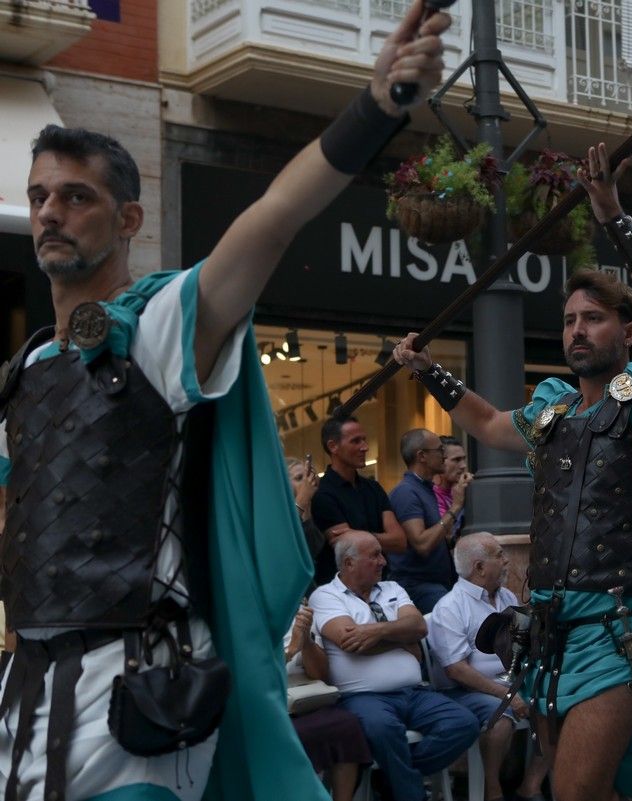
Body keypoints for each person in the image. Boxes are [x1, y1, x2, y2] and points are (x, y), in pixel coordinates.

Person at [0, 4, 449, 798]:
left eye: (75, 197)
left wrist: (375, 107)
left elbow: (272, 220)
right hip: (25, 700)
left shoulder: (160, 324)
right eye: (39, 196)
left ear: (129, 218)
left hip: (139, 692)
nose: (49, 213)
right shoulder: (28, 367)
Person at [391, 142, 632, 800]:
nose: (576, 331)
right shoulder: (552, 411)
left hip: (623, 633)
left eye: (593, 318)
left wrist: (612, 213)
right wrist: (427, 371)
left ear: (629, 332)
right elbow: (486, 422)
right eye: (568, 322)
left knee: (575, 791)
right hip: (549, 635)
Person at [310, 531, 478, 801]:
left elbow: (418, 626)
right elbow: (349, 641)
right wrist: (402, 640)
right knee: (383, 729)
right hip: (362, 697)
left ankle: (392, 780)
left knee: (464, 723)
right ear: (349, 563)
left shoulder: (392, 589)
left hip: (415, 693)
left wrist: (374, 632)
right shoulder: (326, 596)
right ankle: (412, 793)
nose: (383, 561)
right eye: (375, 555)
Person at [426, 533, 550, 801]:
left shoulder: (506, 597)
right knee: (500, 715)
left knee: (555, 703)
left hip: (509, 683)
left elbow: (524, 645)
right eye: (499, 555)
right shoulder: (450, 607)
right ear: (479, 568)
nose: (507, 561)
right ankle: (491, 790)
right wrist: (507, 694)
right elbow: (456, 670)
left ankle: (531, 786)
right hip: (464, 692)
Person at [284, 604, 373, 801]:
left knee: (346, 724)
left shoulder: (300, 612)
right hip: (268, 703)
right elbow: (254, 675)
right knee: (293, 736)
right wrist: (291, 650)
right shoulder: (245, 619)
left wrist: (306, 642)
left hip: (305, 698)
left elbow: (320, 675)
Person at [313, 415, 407, 587]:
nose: (365, 447)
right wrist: (377, 538)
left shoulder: (373, 488)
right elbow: (347, 546)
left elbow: (400, 541)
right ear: (333, 446)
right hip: (340, 591)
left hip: (380, 585)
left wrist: (358, 534)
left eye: (364, 440)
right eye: (355, 441)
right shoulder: (321, 493)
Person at [387, 428, 467, 612]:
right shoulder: (406, 492)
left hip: (440, 582)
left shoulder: (425, 488)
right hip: (418, 587)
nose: (443, 455)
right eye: (439, 450)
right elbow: (422, 544)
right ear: (421, 456)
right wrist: (455, 507)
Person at [288, 455, 327, 588]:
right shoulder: (276, 512)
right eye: (299, 478)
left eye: (308, 478)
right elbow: (287, 545)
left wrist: (306, 506)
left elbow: (313, 548)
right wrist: (302, 500)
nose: (306, 483)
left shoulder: (315, 506)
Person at [434, 435, 471, 536]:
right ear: (440, 461)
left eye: (464, 459)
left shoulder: (461, 488)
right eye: (457, 460)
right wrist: (457, 504)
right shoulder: (432, 494)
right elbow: (445, 536)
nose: (463, 465)